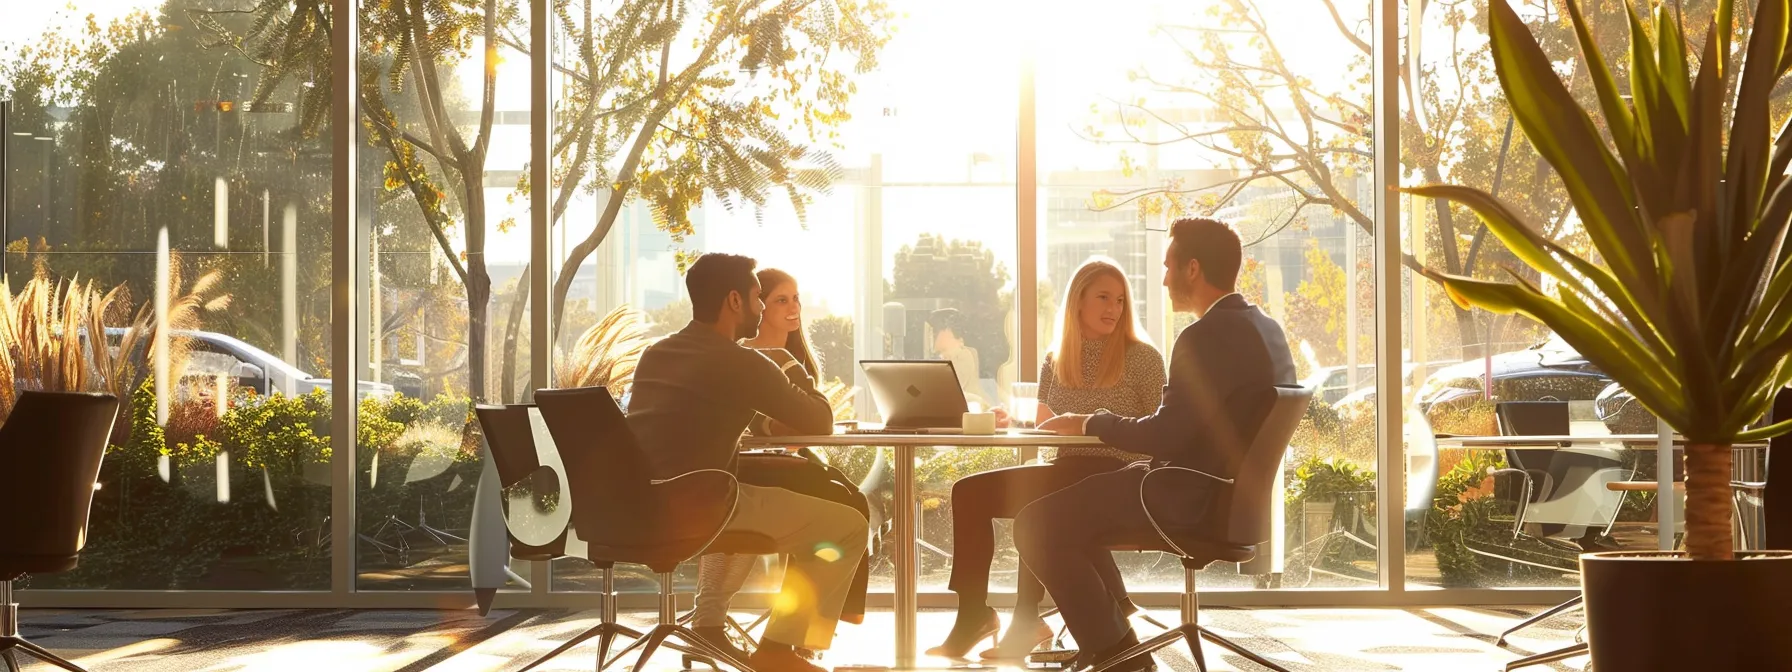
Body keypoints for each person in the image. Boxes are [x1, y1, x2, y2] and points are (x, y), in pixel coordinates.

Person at [1022, 218, 1296, 672]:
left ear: (1192, 269)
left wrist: (1091, 422)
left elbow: (1165, 434)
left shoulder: (1204, 337)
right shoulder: (1266, 329)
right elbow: (1189, 430)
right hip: (1231, 499)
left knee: (1036, 523)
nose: (1164, 279)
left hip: (1187, 496)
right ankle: (1118, 646)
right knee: (1073, 513)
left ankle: (1119, 656)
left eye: (1168, 267)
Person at [628, 254, 869, 672]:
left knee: (785, 493)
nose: (761, 309)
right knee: (847, 525)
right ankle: (779, 651)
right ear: (735, 301)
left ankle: (742, 632)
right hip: (705, 509)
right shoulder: (741, 362)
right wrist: (788, 364)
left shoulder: (657, 353)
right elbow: (819, 417)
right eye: (759, 298)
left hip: (640, 508)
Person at [926, 258, 1166, 661]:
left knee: (1040, 509)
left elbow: (1160, 429)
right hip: (1065, 471)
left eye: (1120, 300)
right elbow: (1046, 424)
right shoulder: (1056, 359)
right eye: (1103, 297)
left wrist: (1097, 427)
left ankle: (1025, 621)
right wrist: (1010, 419)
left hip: (1119, 475)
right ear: (1077, 302)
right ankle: (973, 616)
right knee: (968, 492)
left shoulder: (1142, 357)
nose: (1113, 308)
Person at [690, 268, 874, 661]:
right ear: (753, 307)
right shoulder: (753, 357)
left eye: (796, 300)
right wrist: (780, 420)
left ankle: (790, 633)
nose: (793, 308)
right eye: (778, 300)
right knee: (843, 506)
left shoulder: (791, 356)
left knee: (846, 496)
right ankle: (790, 638)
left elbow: (801, 421)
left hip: (772, 462)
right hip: (745, 466)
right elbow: (784, 419)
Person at [929, 308, 985, 407]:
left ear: (947, 331)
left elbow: (950, 392)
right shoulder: (943, 357)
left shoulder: (962, 356)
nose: (932, 336)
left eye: (935, 332)